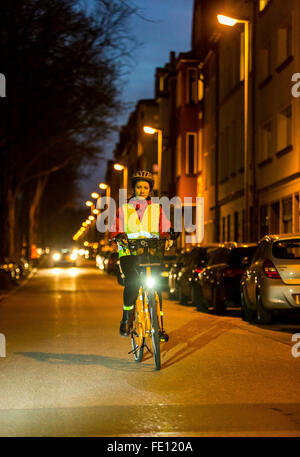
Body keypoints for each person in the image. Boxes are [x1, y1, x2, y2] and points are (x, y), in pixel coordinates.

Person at [110, 170, 173, 338]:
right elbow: (115, 227)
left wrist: (167, 236)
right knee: (132, 283)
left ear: (150, 190)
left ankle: (159, 326)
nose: (142, 190)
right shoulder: (123, 209)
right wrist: (118, 235)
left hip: (151, 254)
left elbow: (164, 227)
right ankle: (126, 317)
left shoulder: (157, 209)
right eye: (139, 187)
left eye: (146, 187)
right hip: (129, 254)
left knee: (156, 286)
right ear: (134, 189)